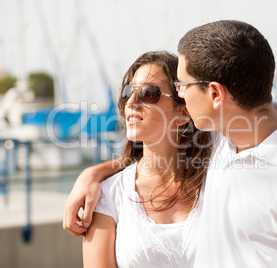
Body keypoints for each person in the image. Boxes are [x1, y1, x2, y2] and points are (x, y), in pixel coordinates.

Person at [64, 20, 277, 267]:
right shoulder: (223, 141)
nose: (180, 95)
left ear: (215, 94)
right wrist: (91, 175)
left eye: (182, 86)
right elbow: (157, 153)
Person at [82, 51, 212, 267]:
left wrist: (92, 173)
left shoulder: (215, 178)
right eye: (127, 93)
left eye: (148, 93)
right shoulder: (109, 195)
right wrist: (90, 175)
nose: (131, 103)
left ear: (183, 113)